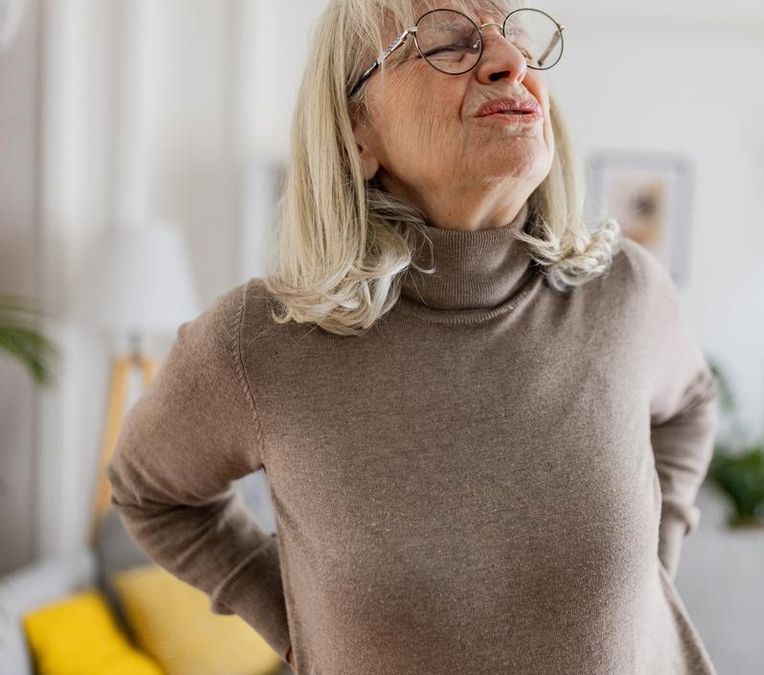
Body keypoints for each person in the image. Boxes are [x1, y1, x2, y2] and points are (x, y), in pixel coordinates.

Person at [105, 0, 719, 672]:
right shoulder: (258, 344)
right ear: (357, 129)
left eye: (515, 36)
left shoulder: (625, 292)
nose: (510, 61)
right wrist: (300, 624)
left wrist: (650, 569)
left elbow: (690, 403)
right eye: (449, 42)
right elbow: (149, 491)